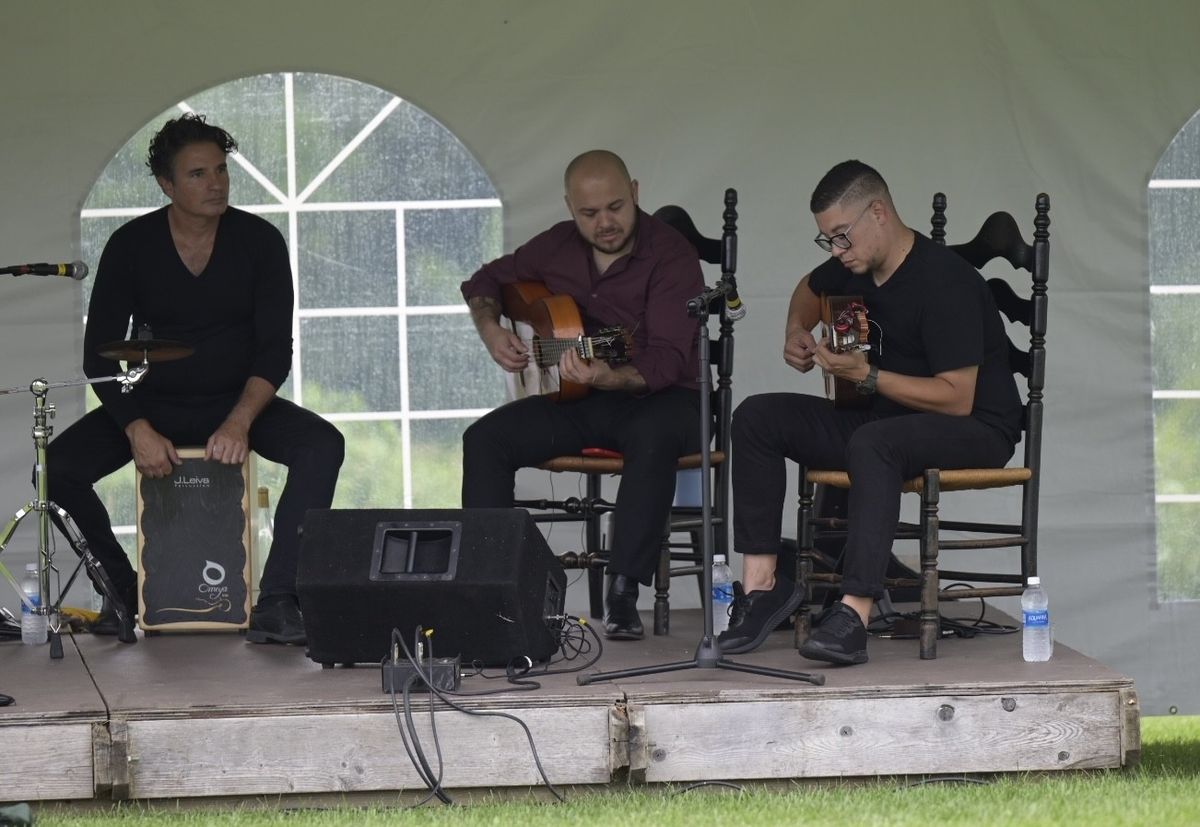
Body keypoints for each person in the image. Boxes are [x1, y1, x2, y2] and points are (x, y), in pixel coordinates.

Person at [46, 113, 345, 645]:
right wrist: (136, 426)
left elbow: (276, 350)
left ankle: (279, 599)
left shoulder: (260, 241)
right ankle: (123, 590)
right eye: (198, 174)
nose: (216, 184)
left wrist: (239, 423)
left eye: (222, 171)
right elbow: (99, 354)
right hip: (153, 402)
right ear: (167, 184)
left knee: (322, 445)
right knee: (58, 468)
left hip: (237, 403)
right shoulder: (131, 244)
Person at [719, 160, 1022, 665]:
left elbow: (957, 397)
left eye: (842, 236)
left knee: (874, 442)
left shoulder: (946, 282)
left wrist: (866, 377)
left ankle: (853, 612)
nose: (837, 251)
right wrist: (796, 329)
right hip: (884, 421)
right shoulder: (854, 263)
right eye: (828, 241)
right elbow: (808, 289)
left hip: (974, 427)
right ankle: (761, 588)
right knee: (756, 417)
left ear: (877, 212)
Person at [460, 150, 705, 640]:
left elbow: (667, 361)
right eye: (589, 214)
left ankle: (622, 591)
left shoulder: (671, 256)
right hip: (585, 397)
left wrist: (606, 376)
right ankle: (489, 585)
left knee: (652, 436)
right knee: (485, 439)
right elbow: (484, 281)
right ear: (570, 207)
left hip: (669, 399)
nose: (605, 223)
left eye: (615, 207)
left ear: (635, 192)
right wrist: (491, 330)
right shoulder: (556, 247)